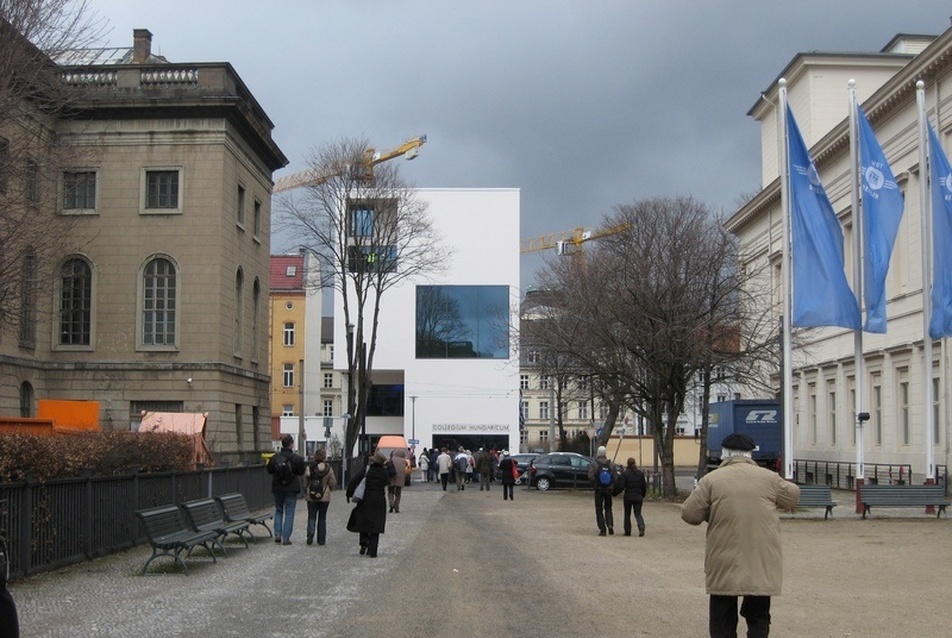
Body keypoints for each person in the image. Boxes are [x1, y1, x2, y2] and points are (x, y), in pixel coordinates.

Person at [681, 433, 800, 638]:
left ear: (724, 454)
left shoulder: (711, 480)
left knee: (722, 617)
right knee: (759, 615)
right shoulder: (769, 478)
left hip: (723, 558)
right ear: (750, 454)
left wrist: (712, 513)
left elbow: (690, 514)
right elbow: (792, 496)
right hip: (760, 558)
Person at [345, 451, 394, 558]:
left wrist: (349, 493)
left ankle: (363, 543)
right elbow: (389, 479)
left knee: (364, 522)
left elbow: (354, 481)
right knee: (375, 525)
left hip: (365, 500)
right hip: (379, 501)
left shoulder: (367, 471)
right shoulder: (384, 473)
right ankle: (373, 550)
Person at [266, 434, 306, 545]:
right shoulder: (296, 458)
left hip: (278, 488)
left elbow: (269, 470)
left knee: (278, 510)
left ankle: (277, 533)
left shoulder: (275, 458)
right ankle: (286, 538)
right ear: (291, 444)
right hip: (291, 488)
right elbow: (301, 471)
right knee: (290, 512)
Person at [303, 449, 337, 546]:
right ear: (324, 457)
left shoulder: (310, 467)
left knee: (311, 516)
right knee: (322, 518)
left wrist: (306, 490)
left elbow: (305, 480)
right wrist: (329, 487)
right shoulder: (328, 468)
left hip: (312, 495)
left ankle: (311, 532)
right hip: (324, 496)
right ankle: (321, 539)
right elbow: (333, 482)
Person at [587, 445, 617, 536]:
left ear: (598, 453)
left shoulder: (594, 464)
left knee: (599, 509)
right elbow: (615, 477)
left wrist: (595, 484)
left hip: (599, 489)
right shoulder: (611, 464)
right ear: (605, 453)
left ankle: (602, 529)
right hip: (608, 489)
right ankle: (610, 524)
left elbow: (590, 476)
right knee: (608, 508)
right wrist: (612, 486)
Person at [620, 457, 648, 536]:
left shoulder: (625, 474)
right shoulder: (640, 473)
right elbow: (644, 486)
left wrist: (615, 492)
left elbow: (621, 486)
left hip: (628, 496)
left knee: (627, 514)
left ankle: (627, 531)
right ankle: (641, 525)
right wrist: (643, 495)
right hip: (638, 496)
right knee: (638, 513)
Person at [387, 448, 408, 513]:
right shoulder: (404, 461)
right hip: (400, 479)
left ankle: (391, 504)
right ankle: (396, 507)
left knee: (390, 492)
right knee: (398, 493)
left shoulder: (391, 460)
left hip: (391, 478)